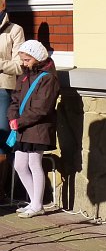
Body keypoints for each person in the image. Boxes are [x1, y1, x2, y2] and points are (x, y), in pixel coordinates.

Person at [8, 39, 61, 218]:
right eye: (23, 60)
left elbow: (42, 108)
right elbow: (15, 99)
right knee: (19, 165)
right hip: (23, 128)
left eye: (27, 60)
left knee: (34, 164)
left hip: (38, 128)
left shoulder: (48, 78)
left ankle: (37, 205)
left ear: (37, 58)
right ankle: (34, 202)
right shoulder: (25, 75)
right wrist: (12, 117)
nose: (24, 63)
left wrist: (20, 121)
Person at [0, 0, 26, 201]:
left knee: (2, 141)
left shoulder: (14, 30)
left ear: (3, 5)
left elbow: (19, 66)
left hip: (3, 89)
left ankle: (2, 191)